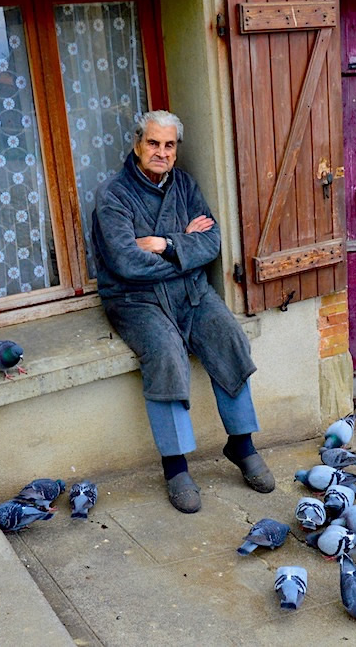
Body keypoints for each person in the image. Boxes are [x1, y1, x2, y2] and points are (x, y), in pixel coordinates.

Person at [91, 110, 275, 513]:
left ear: (176, 150)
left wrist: (163, 244)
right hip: (134, 299)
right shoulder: (113, 195)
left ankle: (241, 445)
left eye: (169, 145)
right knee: (166, 353)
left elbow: (211, 243)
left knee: (228, 334)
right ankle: (175, 467)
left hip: (190, 291)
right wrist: (184, 249)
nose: (161, 152)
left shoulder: (185, 186)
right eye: (153, 143)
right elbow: (126, 263)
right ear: (137, 144)